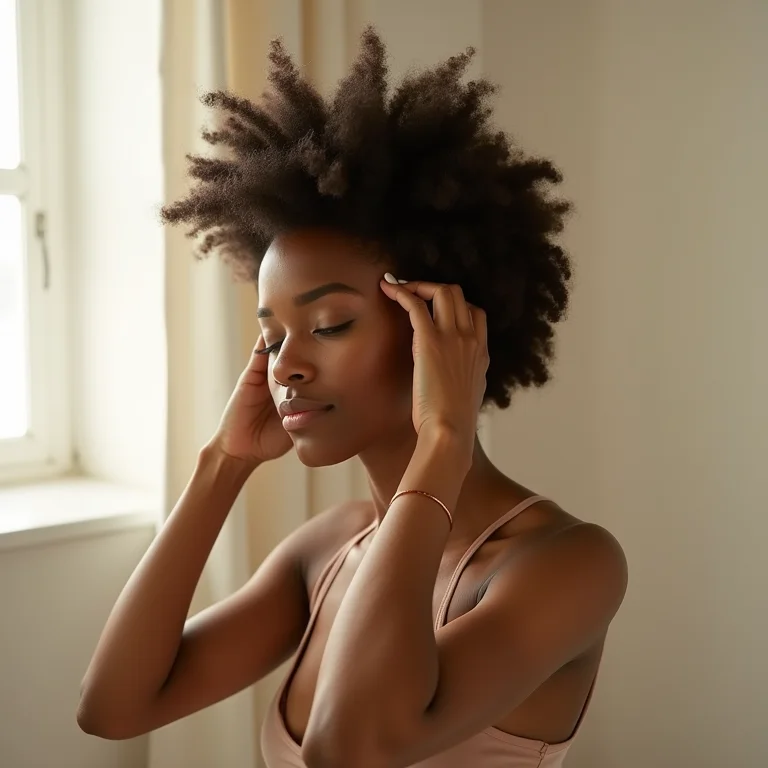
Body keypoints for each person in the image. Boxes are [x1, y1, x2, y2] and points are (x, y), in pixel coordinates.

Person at [77, 27, 627, 768]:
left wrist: (444, 441)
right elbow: (113, 708)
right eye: (271, 336)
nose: (285, 365)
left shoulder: (568, 564)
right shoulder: (329, 549)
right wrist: (224, 463)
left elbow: (351, 749)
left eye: (330, 324)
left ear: (442, 331)